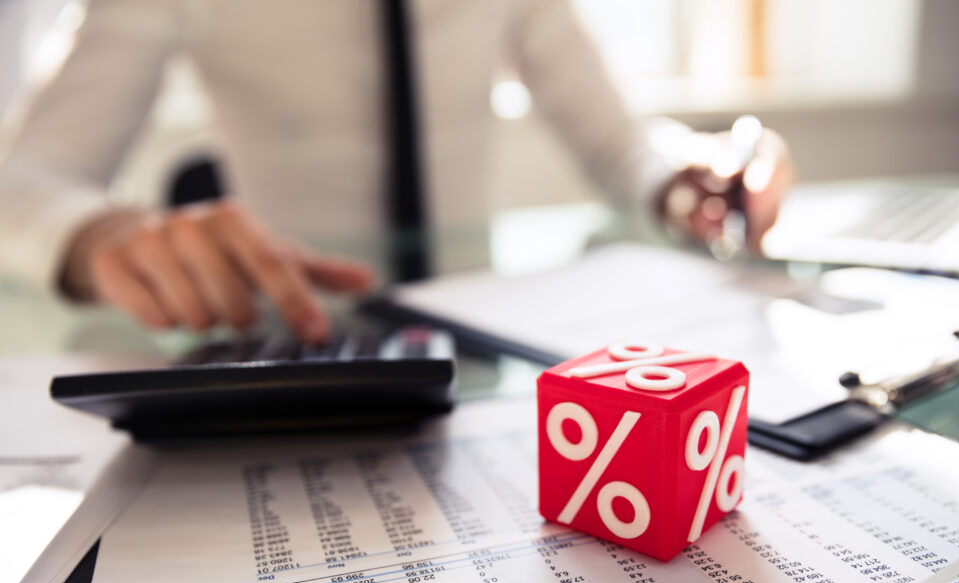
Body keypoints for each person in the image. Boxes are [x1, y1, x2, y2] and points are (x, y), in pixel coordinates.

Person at [0, 0, 792, 344]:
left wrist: (679, 172)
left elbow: (618, 143)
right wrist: (99, 235)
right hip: (300, 351)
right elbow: (22, 179)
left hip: (491, 355)